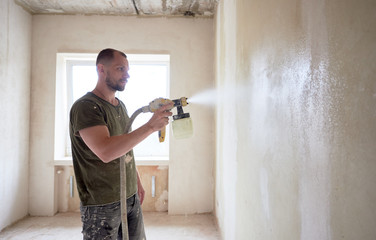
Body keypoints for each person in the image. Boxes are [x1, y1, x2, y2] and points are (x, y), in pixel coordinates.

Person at [69, 48, 172, 240]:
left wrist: (137, 182)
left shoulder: (119, 105)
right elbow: (106, 151)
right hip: (102, 203)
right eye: (120, 69)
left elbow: (125, 148)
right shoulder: (86, 107)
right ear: (101, 69)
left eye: (127, 70)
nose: (127, 75)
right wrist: (150, 126)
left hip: (129, 195)